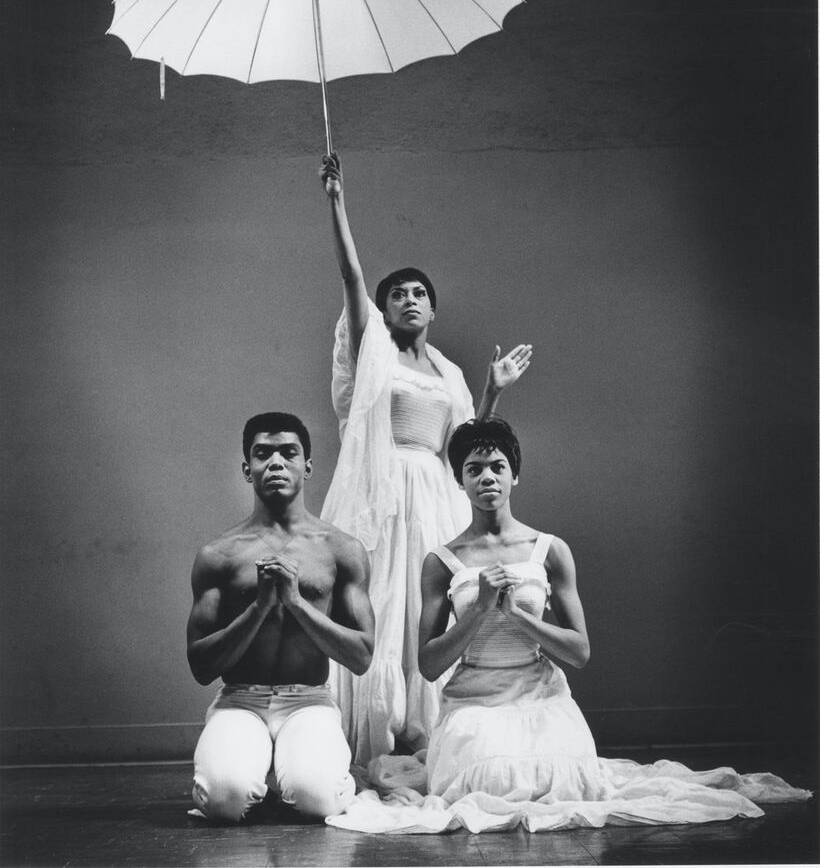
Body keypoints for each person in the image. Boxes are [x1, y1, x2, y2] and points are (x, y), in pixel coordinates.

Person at [326, 418, 811, 833]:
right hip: (474, 704)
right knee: (488, 784)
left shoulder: (549, 549)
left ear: (515, 475)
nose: (487, 478)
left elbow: (579, 652)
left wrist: (517, 613)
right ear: (460, 481)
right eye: (474, 470)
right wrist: (477, 611)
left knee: (567, 783)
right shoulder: (442, 561)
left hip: (540, 697)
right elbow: (428, 666)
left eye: (498, 467)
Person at [319, 151, 533, 766]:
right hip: (383, 495)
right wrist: (337, 202)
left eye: (419, 294)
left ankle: (432, 740)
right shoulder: (374, 354)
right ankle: (376, 743)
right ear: (384, 310)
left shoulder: (449, 372)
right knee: (383, 608)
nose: (408, 299)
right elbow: (351, 281)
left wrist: (492, 389)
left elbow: (466, 445)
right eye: (398, 294)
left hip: (434, 492)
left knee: (430, 609)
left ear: (433, 310)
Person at [186, 412, 375, 824]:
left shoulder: (341, 549)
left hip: (308, 699)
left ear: (307, 465)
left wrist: (295, 603)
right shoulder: (218, 554)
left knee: (319, 800)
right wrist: (258, 609)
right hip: (239, 700)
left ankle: (298, 770)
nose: (276, 463)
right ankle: (253, 771)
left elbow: (361, 655)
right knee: (225, 800)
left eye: (289, 453)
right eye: (262, 454)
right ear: (246, 468)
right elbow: (201, 666)